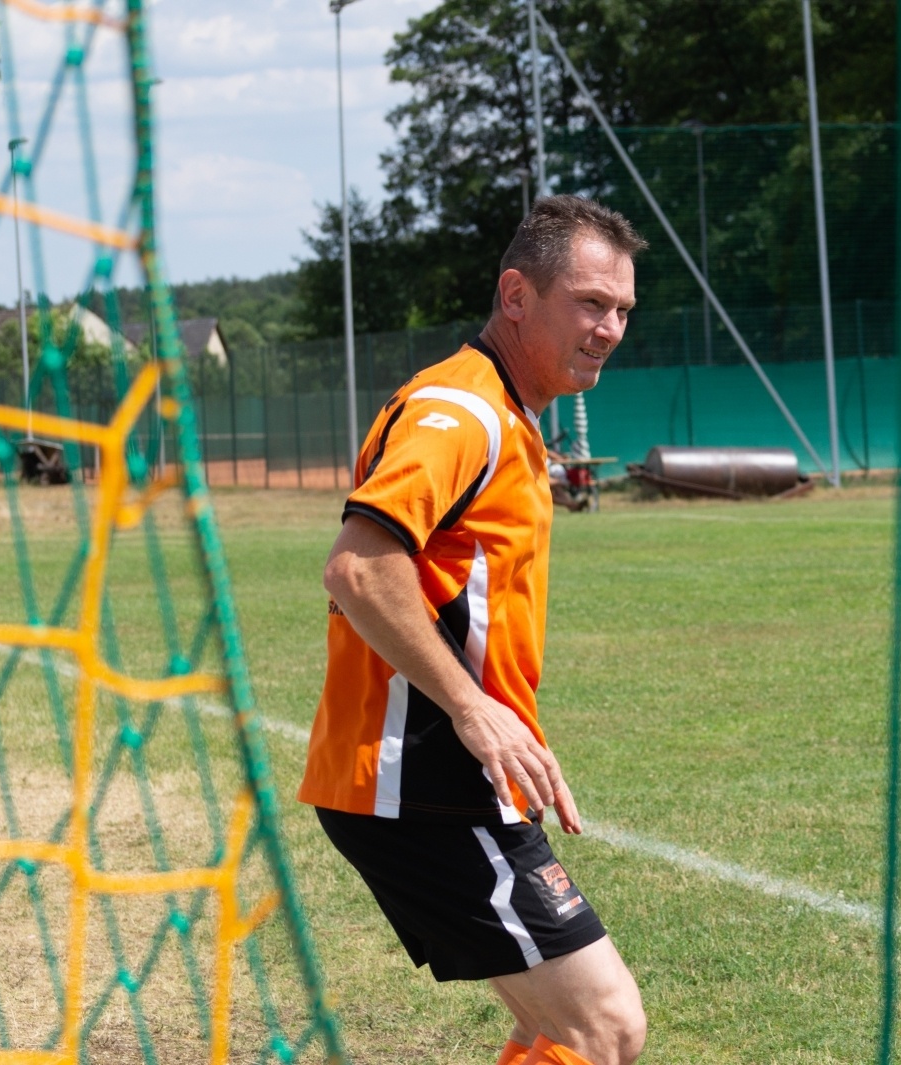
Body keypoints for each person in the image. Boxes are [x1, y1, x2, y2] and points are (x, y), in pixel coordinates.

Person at [298, 196, 648, 1065]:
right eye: (591, 303)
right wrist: (472, 708)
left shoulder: (502, 411)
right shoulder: (463, 412)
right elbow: (359, 565)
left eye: (623, 311)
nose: (608, 328)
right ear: (517, 294)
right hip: (421, 779)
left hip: (440, 777)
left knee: (554, 1030)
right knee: (601, 1026)